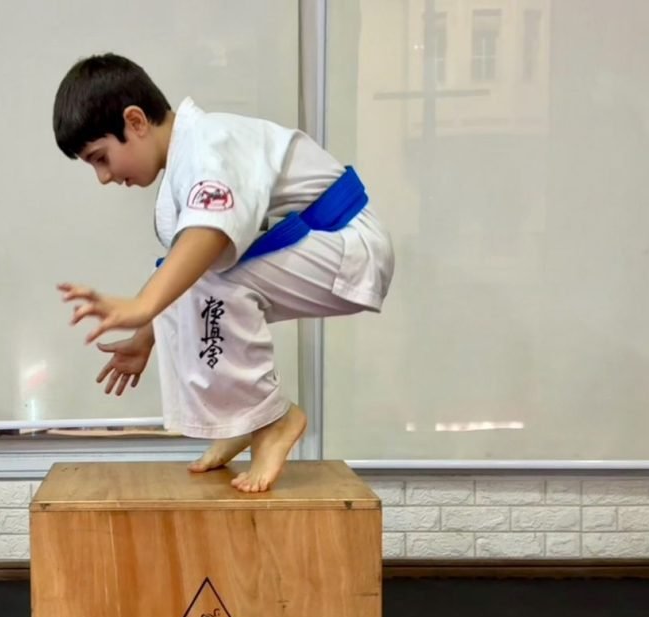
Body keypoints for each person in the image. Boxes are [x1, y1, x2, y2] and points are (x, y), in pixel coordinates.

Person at [53, 53, 394, 492]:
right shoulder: (187, 162)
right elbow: (181, 261)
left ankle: (273, 420)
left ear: (135, 121)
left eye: (101, 158)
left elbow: (207, 240)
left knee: (205, 272)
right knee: (186, 274)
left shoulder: (209, 144)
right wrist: (145, 337)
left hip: (350, 244)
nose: (103, 177)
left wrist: (142, 306)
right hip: (321, 245)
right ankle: (244, 418)